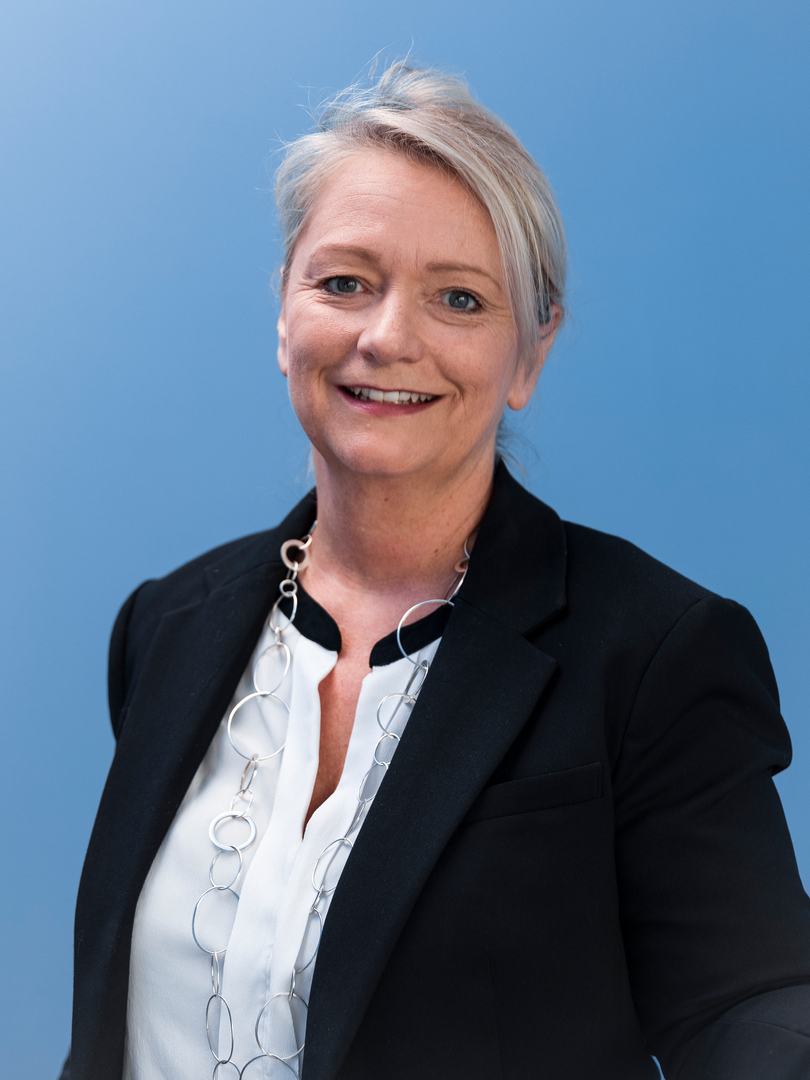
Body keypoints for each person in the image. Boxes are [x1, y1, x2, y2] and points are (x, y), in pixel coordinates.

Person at [61, 62, 810, 1080]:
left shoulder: (655, 658)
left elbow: (751, 1004)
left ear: (531, 353)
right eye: (344, 283)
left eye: (459, 298)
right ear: (284, 312)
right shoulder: (166, 629)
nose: (387, 338)